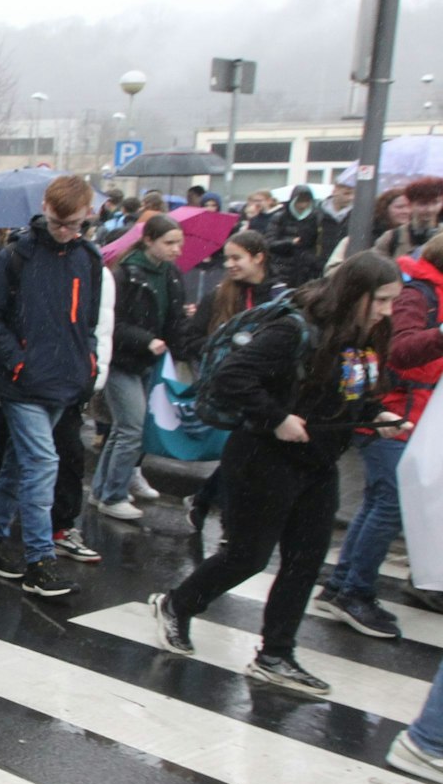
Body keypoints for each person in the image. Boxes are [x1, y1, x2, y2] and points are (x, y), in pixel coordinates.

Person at [152, 254, 409, 696]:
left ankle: (276, 655)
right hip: (262, 458)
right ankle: (177, 604)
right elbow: (232, 378)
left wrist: (376, 413)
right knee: (249, 557)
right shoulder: (293, 330)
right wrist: (276, 418)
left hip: (317, 461)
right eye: (381, 300)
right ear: (355, 294)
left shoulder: (365, 333)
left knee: (305, 561)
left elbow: (351, 390)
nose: (387, 311)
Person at [0, 175, 112, 597]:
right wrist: (18, 362)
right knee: (41, 464)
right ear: (46, 211)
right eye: (57, 222)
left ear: (87, 217)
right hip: (24, 385)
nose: (65, 231)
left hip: (63, 381)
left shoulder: (87, 258)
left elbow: (87, 322)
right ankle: (38, 559)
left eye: (73, 224)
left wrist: (87, 366)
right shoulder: (17, 255)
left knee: (19, 465)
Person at [316, 235, 443, 639]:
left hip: (406, 415)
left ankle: (341, 585)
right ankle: (353, 591)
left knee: (381, 500)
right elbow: (401, 350)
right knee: (391, 502)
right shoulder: (419, 293)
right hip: (390, 413)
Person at [92, 214, 192, 520]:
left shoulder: (171, 274)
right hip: (123, 360)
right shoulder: (124, 274)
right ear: (148, 240)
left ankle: (102, 490)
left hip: (151, 361)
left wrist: (184, 326)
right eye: (169, 243)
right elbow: (112, 323)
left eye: (179, 243)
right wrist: (146, 340)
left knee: (127, 429)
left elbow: (172, 320)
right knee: (131, 428)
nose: (176, 249)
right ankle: (113, 494)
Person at [185, 230, 274, 531]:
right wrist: (220, 349)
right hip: (228, 387)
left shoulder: (279, 296)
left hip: (264, 387)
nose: (230, 265)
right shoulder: (219, 295)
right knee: (240, 455)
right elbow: (192, 338)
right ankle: (229, 525)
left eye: (237, 258)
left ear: (258, 257)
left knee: (244, 456)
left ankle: (205, 500)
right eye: (227, 259)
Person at [322, 187, 409, 277]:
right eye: (400, 207)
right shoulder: (363, 234)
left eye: (409, 206)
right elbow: (333, 271)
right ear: (385, 209)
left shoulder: (413, 236)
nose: (406, 211)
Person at [266, 184, 335, 287]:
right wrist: (290, 243)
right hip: (282, 270)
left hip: (307, 271)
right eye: (300, 201)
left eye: (306, 201)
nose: (303, 205)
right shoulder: (280, 218)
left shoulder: (317, 218)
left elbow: (321, 244)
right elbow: (269, 242)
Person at [376, 175, 442, 260]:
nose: (430, 209)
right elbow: (375, 269)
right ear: (410, 204)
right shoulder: (392, 238)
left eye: (435, 203)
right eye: (422, 203)